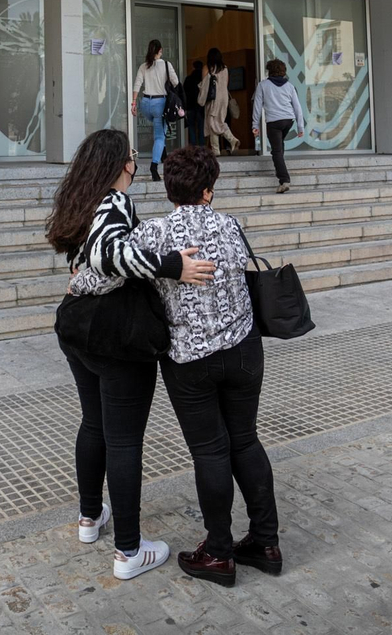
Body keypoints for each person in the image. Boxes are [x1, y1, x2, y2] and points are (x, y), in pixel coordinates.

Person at [46, 129, 216, 580]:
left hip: (76, 327)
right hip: (116, 335)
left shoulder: (85, 199)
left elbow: (90, 257)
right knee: (123, 440)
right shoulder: (115, 200)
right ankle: (128, 551)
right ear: (124, 164)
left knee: (93, 424)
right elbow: (108, 255)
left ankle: (89, 518)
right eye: (133, 155)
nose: (136, 162)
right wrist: (172, 265)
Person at [130, 146, 282, 587]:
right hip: (244, 349)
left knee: (210, 451)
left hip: (190, 359)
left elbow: (115, 267)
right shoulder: (231, 225)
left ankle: (218, 552)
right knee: (246, 442)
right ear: (209, 188)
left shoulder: (155, 232)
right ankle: (266, 542)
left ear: (168, 187)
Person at [251, 59, 306, 193]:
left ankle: (284, 180)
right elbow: (297, 107)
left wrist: (255, 124)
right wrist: (300, 127)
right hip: (288, 120)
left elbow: (257, 106)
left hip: (274, 122)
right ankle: (281, 170)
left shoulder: (263, 85)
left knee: (276, 151)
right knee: (279, 146)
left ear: (269, 71)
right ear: (283, 71)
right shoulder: (290, 86)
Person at [131, 40, 182, 181]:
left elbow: (137, 84)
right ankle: (154, 167)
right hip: (160, 103)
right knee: (159, 136)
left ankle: (163, 154)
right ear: (160, 50)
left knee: (159, 128)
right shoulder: (166, 65)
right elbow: (176, 82)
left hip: (145, 104)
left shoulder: (144, 66)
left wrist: (134, 103)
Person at [197, 48, 242, 156]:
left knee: (212, 122)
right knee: (218, 121)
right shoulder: (225, 68)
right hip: (223, 99)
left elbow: (204, 86)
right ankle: (216, 150)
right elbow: (225, 85)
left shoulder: (207, 68)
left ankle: (231, 140)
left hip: (213, 99)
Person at [184, 59, 207, 150]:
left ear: (193, 67)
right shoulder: (204, 79)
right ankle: (202, 148)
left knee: (191, 128)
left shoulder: (188, 79)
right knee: (201, 128)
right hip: (201, 107)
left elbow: (184, 93)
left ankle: (193, 148)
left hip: (190, 106)